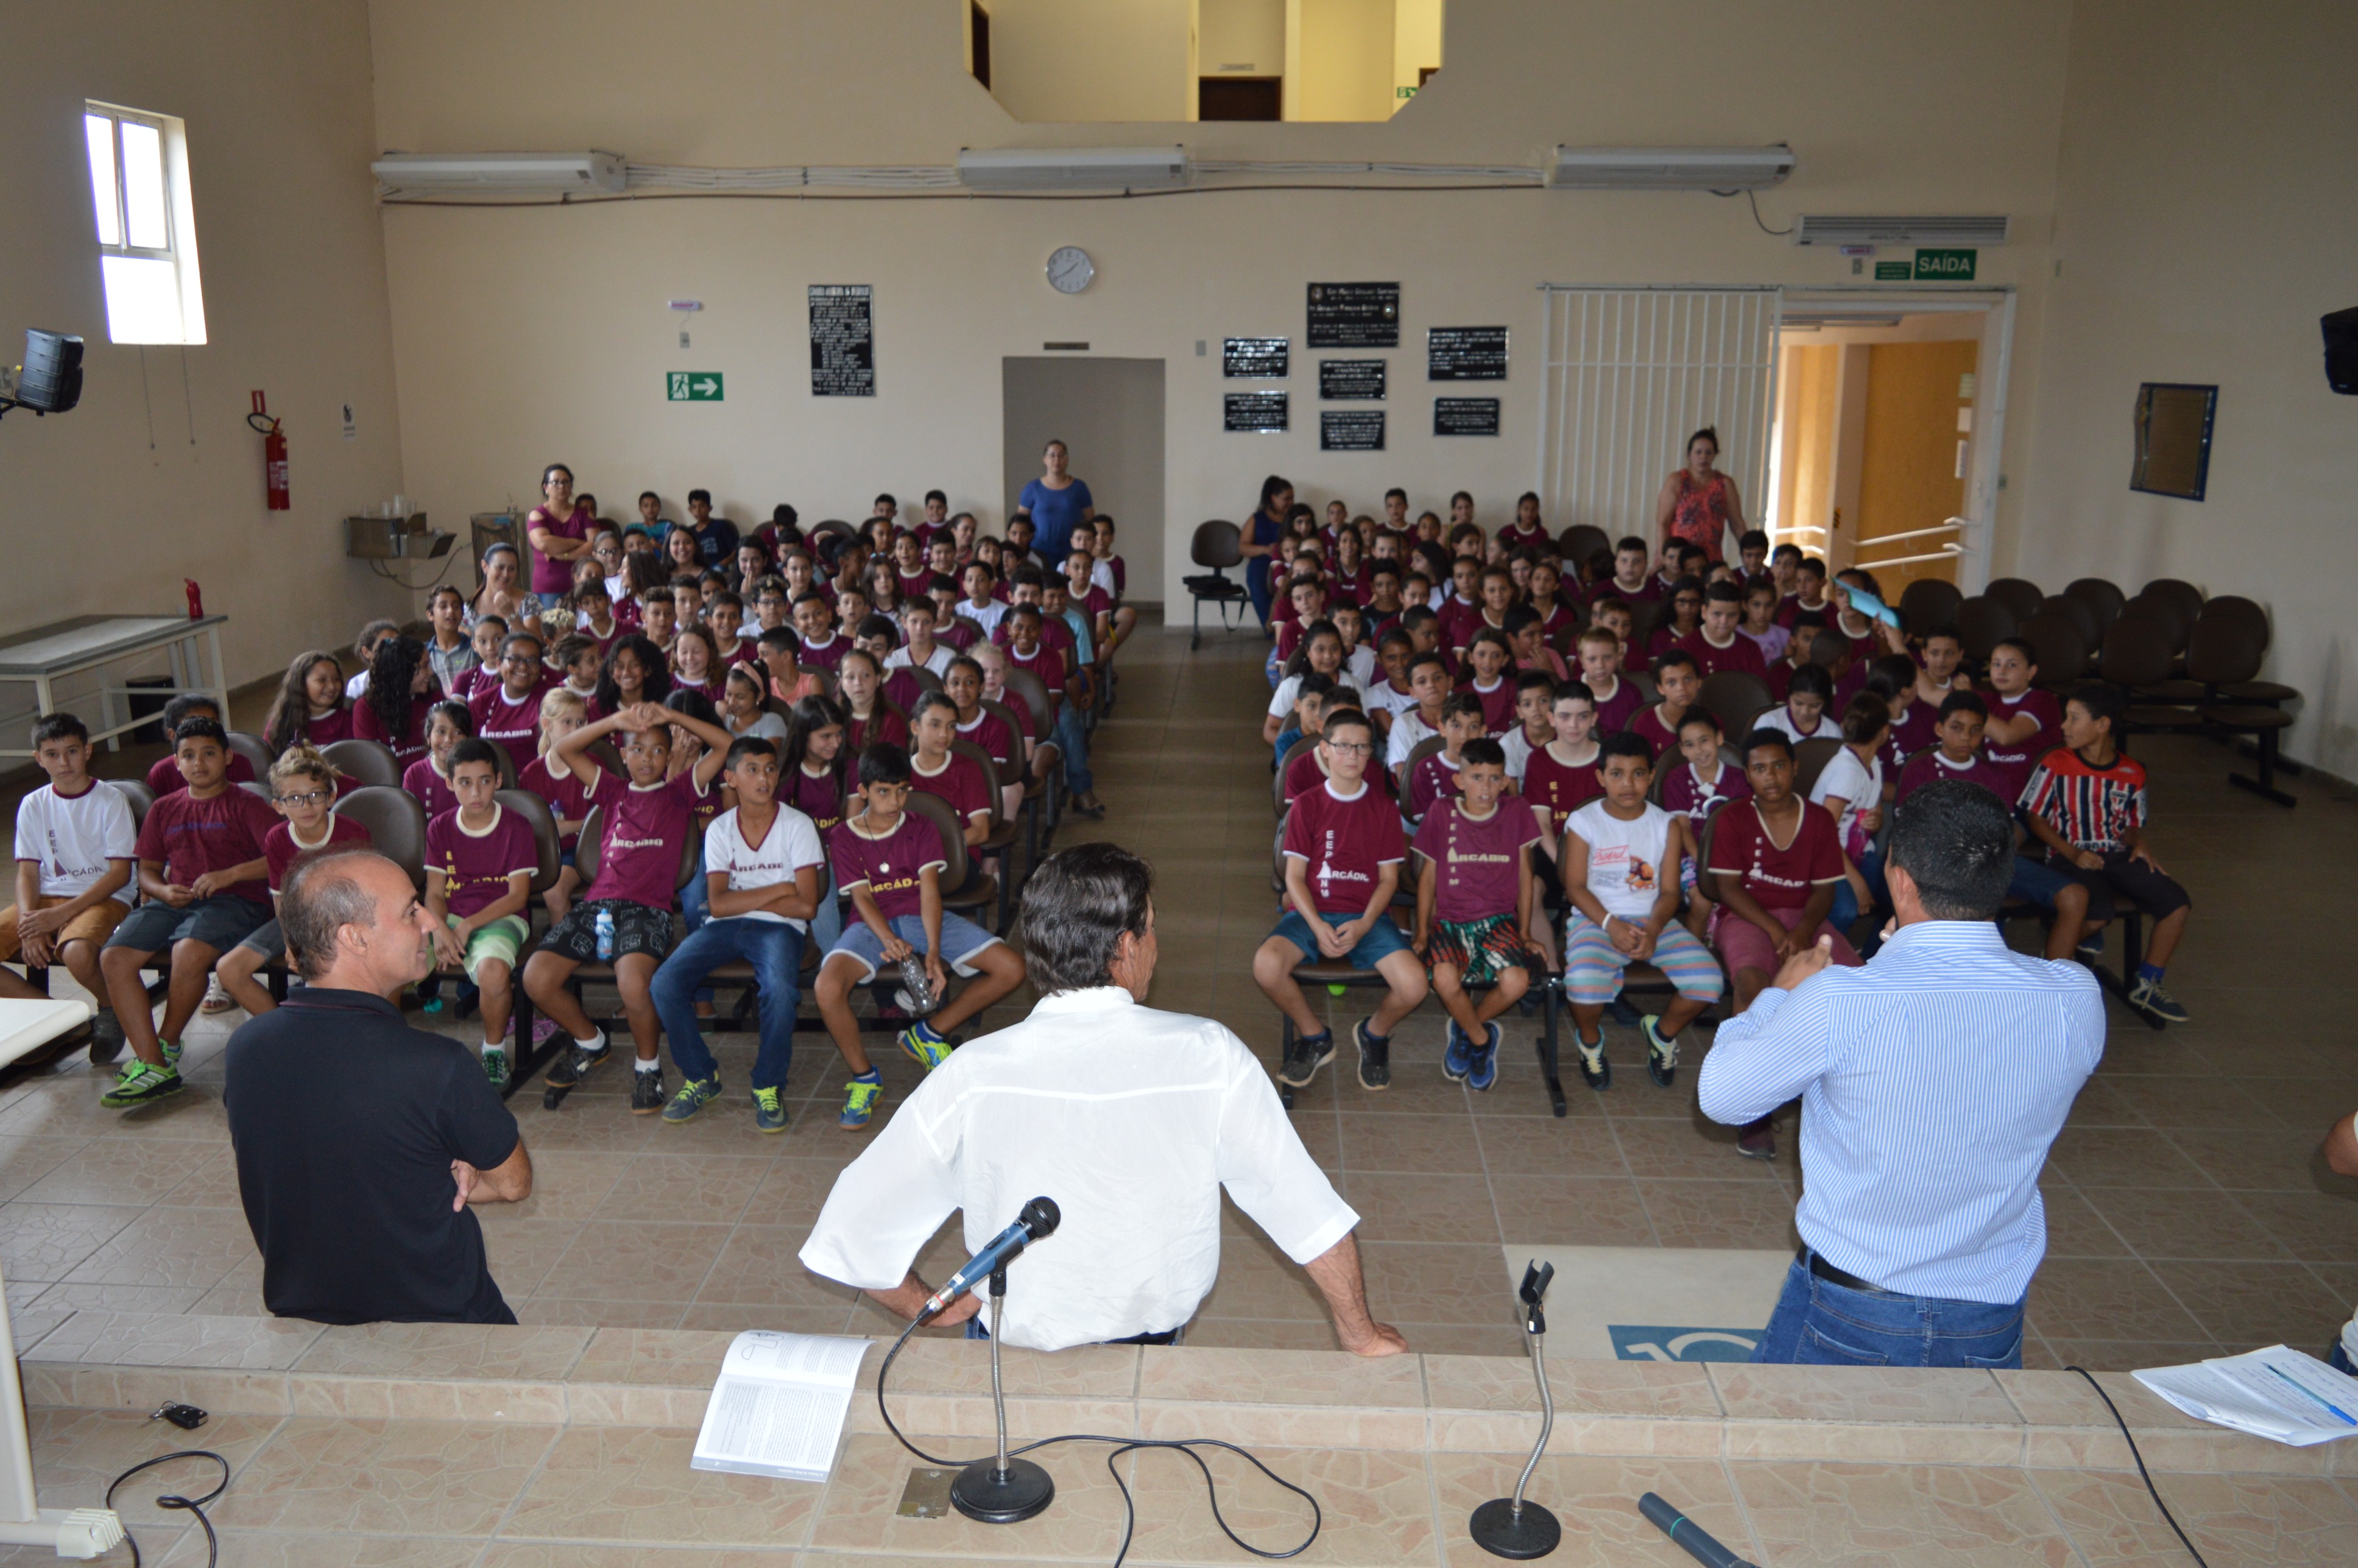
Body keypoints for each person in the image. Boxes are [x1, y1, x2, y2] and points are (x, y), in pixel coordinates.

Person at [800, 844, 1401, 1354]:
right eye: (1153, 927)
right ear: (1127, 946)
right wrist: (1361, 1334)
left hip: (1006, 1351)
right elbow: (1300, 1206)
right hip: (1149, 1348)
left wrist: (930, 1306)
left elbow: (851, 1227)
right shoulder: (1207, 1054)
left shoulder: (974, 1071)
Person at [1698, 780, 2103, 1369]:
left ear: (1900, 879)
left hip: (1854, 1305)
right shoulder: (2074, 997)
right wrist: (1899, 952)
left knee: (1791, 1452)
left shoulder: (1842, 999)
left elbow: (1722, 1096)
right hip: (1989, 1313)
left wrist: (1779, 997)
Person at [225, 847, 531, 1323]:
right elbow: (512, 1183)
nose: (431, 921)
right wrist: (440, 1170)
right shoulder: (437, 1065)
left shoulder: (247, 1048)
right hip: (443, 1322)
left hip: (310, 1315)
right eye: (411, 911)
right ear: (355, 939)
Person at [523, 700, 731, 1114]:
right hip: (596, 905)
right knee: (536, 977)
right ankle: (590, 1041)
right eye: (637, 749)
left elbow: (725, 745)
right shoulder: (612, 791)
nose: (647, 759)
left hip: (646, 910)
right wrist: (614, 722)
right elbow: (563, 749)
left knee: (633, 985)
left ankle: (647, 1067)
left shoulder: (679, 793)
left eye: (657, 750)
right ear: (623, 754)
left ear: (669, 755)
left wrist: (672, 717)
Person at [813, 744, 1025, 1128]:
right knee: (827, 988)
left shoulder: (922, 826)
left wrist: (932, 950)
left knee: (1011, 967)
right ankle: (865, 1077)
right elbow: (861, 896)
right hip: (868, 923)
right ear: (862, 791)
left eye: (902, 790)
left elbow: (930, 891)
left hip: (920, 917)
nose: (895, 801)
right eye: (883, 792)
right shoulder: (844, 836)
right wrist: (889, 941)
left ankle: (929, 1032)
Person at [97, 717, 279, 1107]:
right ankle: (153, 1063)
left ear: (228, 757)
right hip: (173, 900)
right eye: (189, 756)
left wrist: (229, 875)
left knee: (188, 952)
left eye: (209, 753)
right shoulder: (164, 809)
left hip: (238, 902)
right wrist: (162, 889)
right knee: (114, 956)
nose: (199, 763)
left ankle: (167, 1045)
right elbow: (145, 869)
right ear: (176, 762)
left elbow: (280, 856)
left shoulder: (247, 804)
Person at [652, 735, 827, 1132]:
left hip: (781, 928)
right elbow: (717, 905)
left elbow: (806, 907)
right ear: (730, 778)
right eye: (751, 769)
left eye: (769, 769)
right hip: (725, 926)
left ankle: (767, 1084)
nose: (763, 778)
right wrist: (781, 888)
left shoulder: (798, 826)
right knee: (665, 982)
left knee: (780, 992)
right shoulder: (718, 829)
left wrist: (745, 898)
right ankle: (701, 1077)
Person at [1706, 729, 1863, 1160]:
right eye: (1759, 768)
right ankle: (1751, 1108)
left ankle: (1849, 1101)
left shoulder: (1816, 820)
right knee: (1753, 986)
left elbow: (1824, 891)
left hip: (1805, 918)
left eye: (1778, 765)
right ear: (1747, 775)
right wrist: (1776, 932)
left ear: (1794, 768)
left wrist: (1799, 930)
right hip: (1746, 916)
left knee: (1856, 987)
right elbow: (1727, 889)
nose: (1770, 776)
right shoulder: (1733, 818)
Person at [1256, 709, 1427, 1093]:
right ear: (1326, 750)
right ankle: (1315, 1036)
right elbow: (1294, 876)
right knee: (1266, 967)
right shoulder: (1307, 804)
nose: (1352, 754)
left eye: (1362, 747)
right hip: (1311, 913)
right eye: (1343, 746)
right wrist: (1316, 925)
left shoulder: (1384, 808)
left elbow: (1388, 879)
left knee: (1415, 985)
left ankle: (1374, 1034)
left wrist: (1366, 923)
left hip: (1365, 917)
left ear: (1371, 754)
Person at [2020, 683, 2192, 1023]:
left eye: (2074, 718)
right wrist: (2071, 853)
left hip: (2115, 854)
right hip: (2071, 854)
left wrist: (2137, 842)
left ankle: (2147, 983)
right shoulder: (2056, 763)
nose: (2064, 727)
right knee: (2097, 911)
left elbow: (2130, 823)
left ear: (2102, 725)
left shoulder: (2132, 772)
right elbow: (2035, 818)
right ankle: (2052, 972)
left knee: (2176, 902)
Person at [1560, 733, 1724, 1090]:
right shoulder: (1584, 821)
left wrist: (1652, 930)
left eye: (1638, 774)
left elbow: (1669, 892)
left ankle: (1662, 1034)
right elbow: (1575, 887)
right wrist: (1610, 924)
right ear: (1601, 777)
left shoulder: (1665, 824)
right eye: (1617, 774)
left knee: (1709, 981)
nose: (1628, 784)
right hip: (1596, 919)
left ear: (1651, 777)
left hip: (1654, 921)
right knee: (1583, 984)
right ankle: (1590, 1042)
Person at [1411, 738, 1543, 1092]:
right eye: (1477, 777)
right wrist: (1423, 931)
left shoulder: (1517, 811)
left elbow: (1526, 876)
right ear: (1460, 780)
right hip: (1451, 921)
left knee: (1516, 982)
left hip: (1499, 920)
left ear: (1504, 781)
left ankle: (1468, 1027)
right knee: (1444, 979)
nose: (1485, 787)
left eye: (1494, 778)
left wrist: (1527, 933)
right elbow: (1427, 876)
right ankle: (1483, 1040)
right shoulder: (1441, 811)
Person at [0, 713, 135, 1056]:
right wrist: (31, 926)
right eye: (52, 754)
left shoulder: (111, 800)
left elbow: (119, 874)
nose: (64, 763)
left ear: (88, 751)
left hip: (105, 897)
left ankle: (110, 1008)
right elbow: (28, 873)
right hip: (47, 898)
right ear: (39, 759)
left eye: (72, 751)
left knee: (76, 953)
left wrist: (59, 917)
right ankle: (59, 1022)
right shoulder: (34, 804)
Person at [214, 746, 373, 1019]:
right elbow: (280, 898)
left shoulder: (352, 832)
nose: (306, 806)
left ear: (331, 796)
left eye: (315, 796)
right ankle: (283, 1030)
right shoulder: (276, 838)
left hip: (344, 917)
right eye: (295, 798)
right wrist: (291, 942)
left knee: (330, 965)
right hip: (294, 918)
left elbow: (365, 893)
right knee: (229, 969)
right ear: (278, 805)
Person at [424, 739, 537, 1088]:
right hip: (451, 917)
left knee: (493, 973)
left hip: (502, 916)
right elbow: (433, 892)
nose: (476, 792)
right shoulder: (439, 827)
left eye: (485, 781)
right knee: (391, 959)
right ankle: (389, 1051)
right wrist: (441, 929)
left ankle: (493, 1050)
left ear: (499, 781)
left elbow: (518, 895)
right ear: (449, 783)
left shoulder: (516, 827)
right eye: (465, 782)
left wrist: (469, 925)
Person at [1015, 438, 1095, 568]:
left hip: (1072, 551)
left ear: (1067, 459)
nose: (1056, 460)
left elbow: (1091, 521)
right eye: (1052, 455)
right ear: (1044, 459)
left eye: (1061, 455)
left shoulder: (1080, 488)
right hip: (1039, 551)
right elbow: (1020, 523)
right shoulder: (1032, 488)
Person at [523, 462, 593, 609]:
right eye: (555, 482)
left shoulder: (584, 514)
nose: (561, 486)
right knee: (553, 629)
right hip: (549, 587)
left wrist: (563, 556)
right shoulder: (538, 514)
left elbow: (595, 545)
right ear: (546, 488)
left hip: (583, 585)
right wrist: (578, 542)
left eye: (566, 482)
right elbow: (544, 544)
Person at [261, 651, 353, 757]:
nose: (332, 686)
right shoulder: (282, 722)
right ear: (301, 684)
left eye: (336, 679)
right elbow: (269, 762)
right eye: (322, 680)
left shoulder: (346, 720)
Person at [1241, 475, 1294, 627]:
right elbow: (1243, 546)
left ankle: (1291, 629)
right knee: (1257, 585)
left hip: (1288, 565)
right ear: (1273, 498)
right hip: (1261, 564)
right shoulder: (1257, 518)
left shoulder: (1295, 518)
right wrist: (1265, 549)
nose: (1291, 502)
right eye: (1286, 498)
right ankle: (1271, 630)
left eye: (1292, 498)